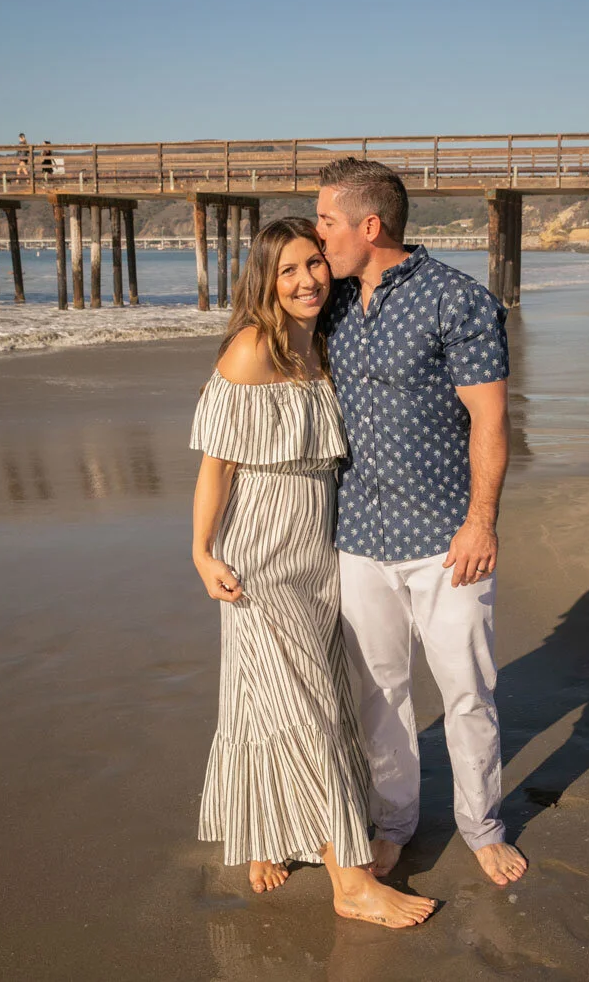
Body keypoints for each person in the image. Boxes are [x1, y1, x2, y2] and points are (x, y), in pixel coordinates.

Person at [190, 217, 436, 929]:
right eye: (289, 270)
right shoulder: (250, 350)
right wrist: (201, 552)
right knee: (307, 711)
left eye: (315, 264)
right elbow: (216, 466)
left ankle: (264, 829)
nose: (306, 281)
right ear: (266, 280)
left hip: (318, 552)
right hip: (260, 554)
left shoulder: (325, 343)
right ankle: (350, 882)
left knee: (272, 699)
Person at [316, 158, 528, 887]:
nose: (319, 234)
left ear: (369, 226)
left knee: (466, 690)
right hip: (356, 536)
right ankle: (395, 823)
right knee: (378, 693)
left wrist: (481, 522)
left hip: (445, 538)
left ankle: (482, 827)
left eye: (327, 221)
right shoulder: (330, 303)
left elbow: (490, 420)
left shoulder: (457, 301)